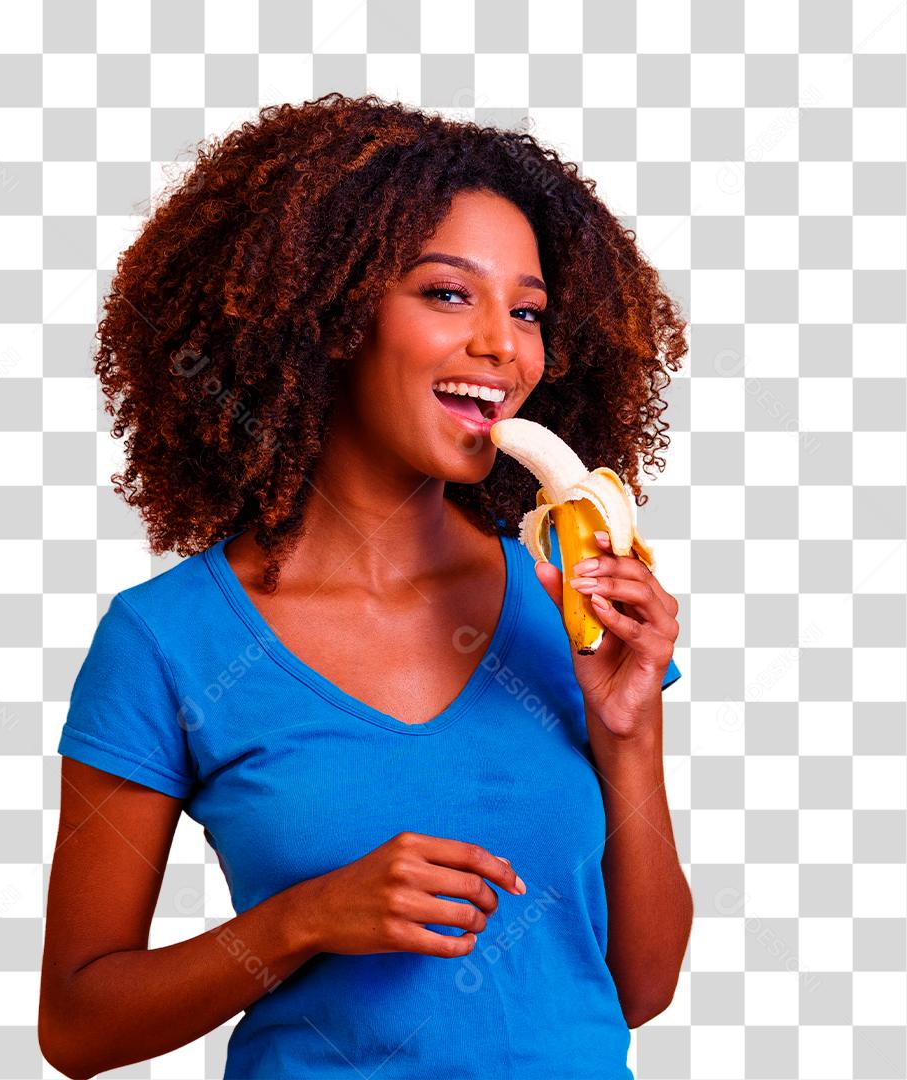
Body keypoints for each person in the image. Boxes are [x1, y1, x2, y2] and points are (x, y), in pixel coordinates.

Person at [38, 92, 691, 1080]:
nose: (502, 347)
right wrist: (307, 919)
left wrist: (630, 732)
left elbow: (636, 989)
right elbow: (79, 1026)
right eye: (446, 294)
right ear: (330, 314)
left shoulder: (567, 603)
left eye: (527, 311)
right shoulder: (170, 644)